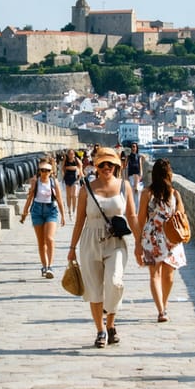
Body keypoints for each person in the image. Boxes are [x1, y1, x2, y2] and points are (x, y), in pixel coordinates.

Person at [66, 147, 138, 348]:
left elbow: (132, 216)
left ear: (117, 166)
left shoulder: (124, 186)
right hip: (90, 239)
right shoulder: (86, 189)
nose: (107, 167)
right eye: (103, 164)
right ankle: (101, 330)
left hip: (115, 242)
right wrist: (72, 247)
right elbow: (80, 221)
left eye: (111, 164)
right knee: (95, 289)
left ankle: (111, 322)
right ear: (96, 166)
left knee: (114, 282)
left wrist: (140, 243)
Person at [134, 158, 187, 323]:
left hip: (166, 237)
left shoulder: (173, 194)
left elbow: (180, 215)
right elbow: (141, 218)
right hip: (156, 237)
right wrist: (138, 242)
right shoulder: (149, 194)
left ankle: (163, 305)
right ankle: (162, 310)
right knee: (158, 275)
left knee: (166, 276)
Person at [20, 159, 66, 279]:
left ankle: (50, 266)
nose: (45, 172)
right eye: (42, 170)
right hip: (37, 211)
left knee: (49, 238)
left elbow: (60, 199)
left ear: (51, 172)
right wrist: (24, 213)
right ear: (39, 171)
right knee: (41, 242)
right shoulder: (36, 182)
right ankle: (44, 266)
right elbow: (30, 198)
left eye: (47, 170)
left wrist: (63, 216)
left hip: (51, 210)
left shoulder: (53, 182)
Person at [60, 149, 82, 220]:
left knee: (74, 195)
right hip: (68, 177)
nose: (71, 155)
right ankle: (69, 210)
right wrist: (64, 173)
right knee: (68, 195)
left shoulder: (76, 160)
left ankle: (74, 210)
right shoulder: (66, 160)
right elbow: (62, 168)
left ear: (74, 154)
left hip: (75, 178)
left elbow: (80, 166)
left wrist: (80, 174)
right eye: (70, 154)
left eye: (72, 154)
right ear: (68, 154)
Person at [125, 143, 146, 208]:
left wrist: (140, 177)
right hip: (131, 177)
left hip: (137, 178)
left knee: (137, 195)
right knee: (131, 195)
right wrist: (126, 178)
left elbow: (140, 167)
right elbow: (126, 168)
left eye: (134, 147)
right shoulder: (128, 157)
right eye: (132, 147)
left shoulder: (139, 157)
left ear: (136, 148)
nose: (133, 148)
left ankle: (137, 211)